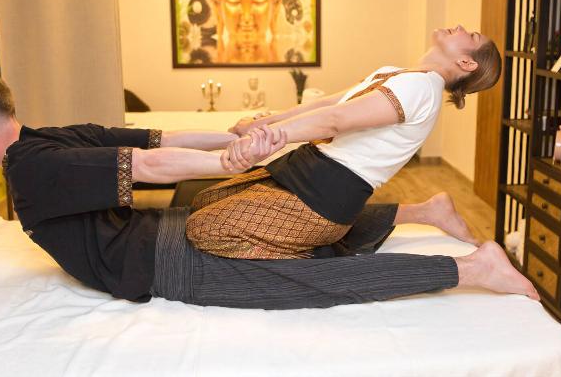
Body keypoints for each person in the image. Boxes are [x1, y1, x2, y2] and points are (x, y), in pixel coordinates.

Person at [0, 69, 538, 309]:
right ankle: (419, 209)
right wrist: (237, 141)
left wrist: (235, 151)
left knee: (304, 280)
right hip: (160, 234)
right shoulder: (47, 138)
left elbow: (151, 161)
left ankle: (472, 270)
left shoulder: (29, 168)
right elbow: (160, 140)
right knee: (287, 226)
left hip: (156, 262)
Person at [185, 25, 509, 263]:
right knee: (205, 200)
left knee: (204, 229)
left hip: (324, 196)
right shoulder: (397, 73)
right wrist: (265, 123)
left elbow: (335, 120)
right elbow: (328, 103)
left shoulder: (422, 88)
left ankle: (325, 255)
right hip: (303, 168)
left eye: (472, 36)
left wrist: (267, 138)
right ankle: (424, 212)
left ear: (467, 63)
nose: (461, 27)